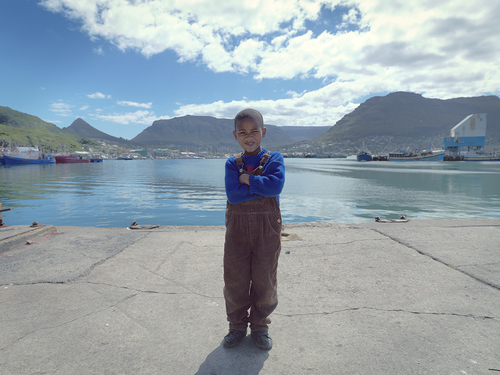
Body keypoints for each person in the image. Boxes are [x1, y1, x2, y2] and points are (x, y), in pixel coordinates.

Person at [222, 108, 285, 350]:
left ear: (264, 132)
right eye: (243, 132)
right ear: (235, 135)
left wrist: (247, 180)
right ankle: (236, 326)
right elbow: (233, 196)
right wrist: (261, 184)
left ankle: (260, 326)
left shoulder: (275, 159)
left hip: (266, 232)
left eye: (254, 131)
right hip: (236, 233)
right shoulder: (231, 163)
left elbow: (275, 187)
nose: (249, 136)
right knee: (235, 279)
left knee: (265, 280)